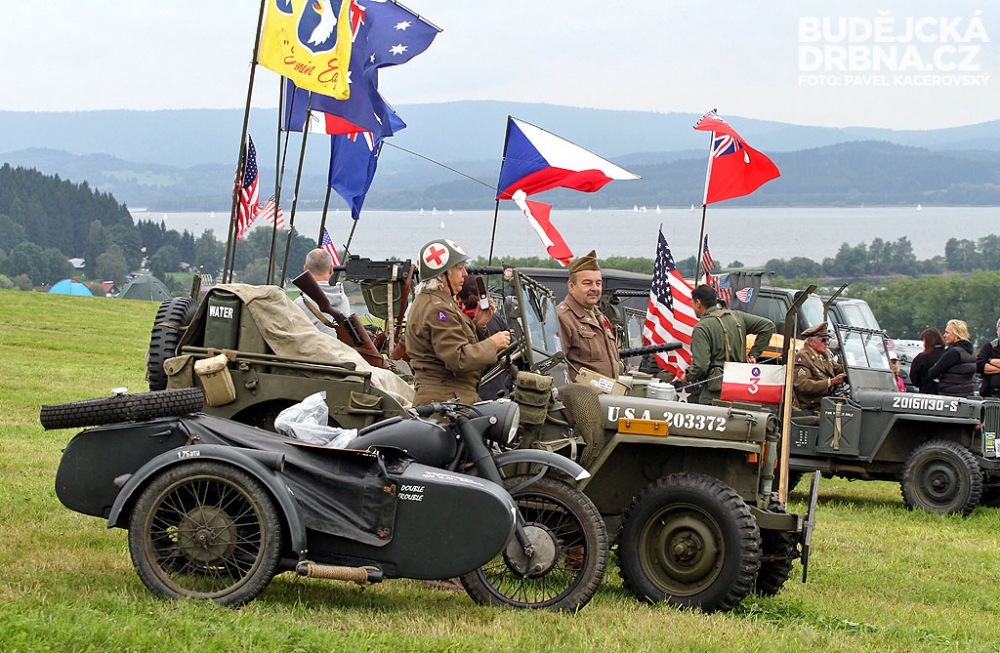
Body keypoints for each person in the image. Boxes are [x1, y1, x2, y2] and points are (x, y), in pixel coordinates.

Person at [406, 238, 511, 406]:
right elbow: (459, 359)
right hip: (444, 404)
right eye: (460, 268)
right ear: (443, 275)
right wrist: (493, 343)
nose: (465, 274)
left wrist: (479, 325)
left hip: (449, 401)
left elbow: (457, 345)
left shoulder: (437, 302)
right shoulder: (437, 309)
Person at [676, 284, 775, 405]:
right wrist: (753, 354)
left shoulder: (702, 328)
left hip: (715, 394)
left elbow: (700, 366)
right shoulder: (737, 317)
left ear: (698, 303)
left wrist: (688, 377)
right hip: (740, 388)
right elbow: (768, 326)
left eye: (692, 303)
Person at [557, 250, 622, 382]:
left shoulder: (599, 317)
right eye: (587, 283)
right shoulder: (563, 318)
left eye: (598, 283)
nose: (594, 288)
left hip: (607, 392)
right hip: (581, 394)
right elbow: (556, 369)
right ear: (571, 286)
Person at [293, 248, 352, 339]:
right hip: (341, 348)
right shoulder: (343, 298)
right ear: (331, 269)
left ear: (305, 269)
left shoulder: (300, 303)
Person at [792, 322, 847, 412]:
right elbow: (803, 385)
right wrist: (831, 382)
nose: (827, 343)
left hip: (827, 400)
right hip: (813, 405)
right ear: (811, 341)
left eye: (828, 339)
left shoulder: (825, 354)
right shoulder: (802, 357)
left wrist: (849, 369)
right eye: (824, 340)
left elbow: (837, 368)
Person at [929, 319, 976, 397]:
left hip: (950, 394)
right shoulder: (970, 352)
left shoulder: (953, 353)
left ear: (956, 335)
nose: (944, 335)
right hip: (967, 394)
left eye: (947, 332)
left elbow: (933, 373)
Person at [908, 327, 946, 394]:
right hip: (945, 394)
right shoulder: (948, 355)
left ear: (928, 342)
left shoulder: (921, 358)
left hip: (925, 393)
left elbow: (914, 379)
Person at [977, 318, 1000, 398]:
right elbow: (979, 365)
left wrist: (991, 361)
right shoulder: (989, 347)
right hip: (989, 394)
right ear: (997, 331)